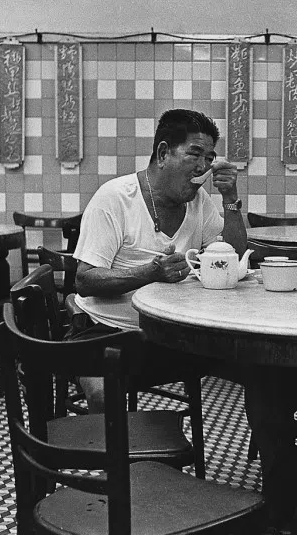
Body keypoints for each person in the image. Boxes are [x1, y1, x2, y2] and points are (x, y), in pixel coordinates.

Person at [71, 108, 246, 410]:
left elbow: (236, 256)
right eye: (194, 154)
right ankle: (118, 458)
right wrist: (151, 272)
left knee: (256, 366)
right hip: (108, 333)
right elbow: (84, 280)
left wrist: (230, 198)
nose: (203, 168)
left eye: (209, 158)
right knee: (103, 393)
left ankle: (279, 455)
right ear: (163, 153)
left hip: (173, 336)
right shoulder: (114, 198)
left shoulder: (199, 202)